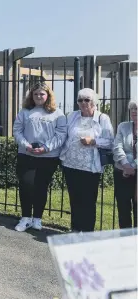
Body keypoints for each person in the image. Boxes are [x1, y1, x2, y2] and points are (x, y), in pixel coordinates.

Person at [12, 83, 67, 232]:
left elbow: (61, 135)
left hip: (48, 157)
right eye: (36, 94)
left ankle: (37, 218)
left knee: (41, 187)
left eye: (42, 94)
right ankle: (25, 218)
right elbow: (17, 131)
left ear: (48, 95)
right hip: (27, 154)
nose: (38, 97)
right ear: (32, 96)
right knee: (26, 184)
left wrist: (46, 148)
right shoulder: (25, 112)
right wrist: (26, 145)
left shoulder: (58, 113)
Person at [60, 88, 114, 232]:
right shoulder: (72, 116)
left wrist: (93, 141)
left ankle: (88, 231)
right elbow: (63, 135)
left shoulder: (103, 118)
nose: (83, 103)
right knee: (74, 198)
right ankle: (76, 229)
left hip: (90, 167)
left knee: (88, 200)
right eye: (80, 100)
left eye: (87, 100)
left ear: (94, 102)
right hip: (70, 164)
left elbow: (110, 141)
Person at [112, 100, 137, 229]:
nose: (134, 111)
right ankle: (126, 241)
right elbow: (117, 147)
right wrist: (126, 164)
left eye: (137, 109)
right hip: (122, 171)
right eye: (132, 108)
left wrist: (134, 166)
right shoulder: (123, 126)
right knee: (123, 208)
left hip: (134, 172)